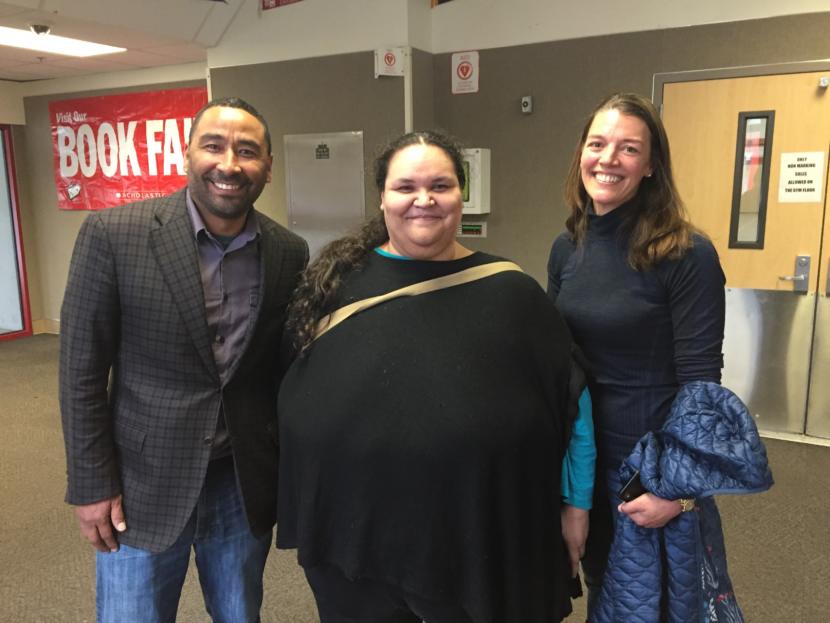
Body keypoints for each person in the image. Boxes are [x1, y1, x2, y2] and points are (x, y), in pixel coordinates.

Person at [276, 130, 595, 623]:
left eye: (440, 185)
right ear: (382, 197)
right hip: (355, 543)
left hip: (472, 539)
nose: (423, 200)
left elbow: (572, 399)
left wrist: (576, 505)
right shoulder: (334, 286)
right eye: (405, 187)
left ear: (461, 195)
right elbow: (298, 394)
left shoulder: (510, 293)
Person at [59, 97, 309, 622]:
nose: (229, 164)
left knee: (241, 613)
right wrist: (91, 484)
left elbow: (278, 371)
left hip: (239, 483)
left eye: (247, 151)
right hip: (140, 483)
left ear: (267, 167)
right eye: (213, 146)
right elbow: (81, 371)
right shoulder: (114, 235)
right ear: (186, 153)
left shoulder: (289, 251)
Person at [547, 92, 746, 619]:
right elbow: (555, 362)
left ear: (652, 165)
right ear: (581, 154)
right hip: (585, 459)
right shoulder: (568, 247)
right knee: (599, 589)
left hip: (650, 472)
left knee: (656, 605)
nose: (608, 159)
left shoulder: (685, 254)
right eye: (597, 143)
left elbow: (702, 388)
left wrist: (679, 494)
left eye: (628, 148)